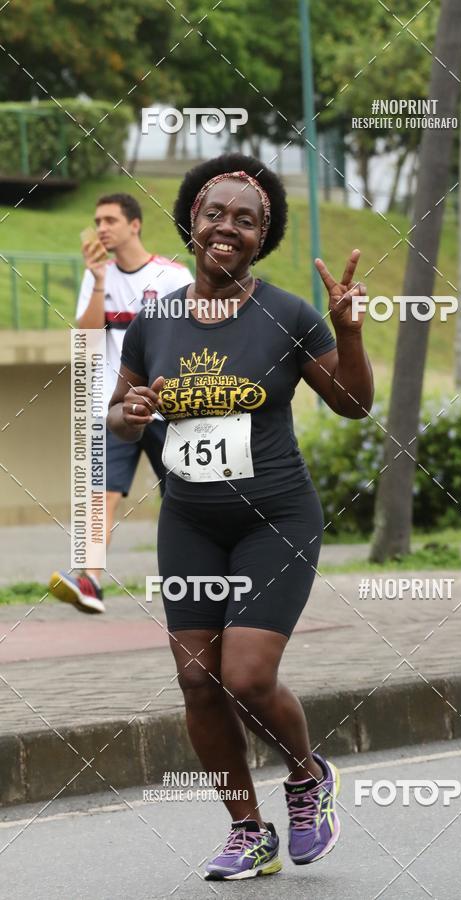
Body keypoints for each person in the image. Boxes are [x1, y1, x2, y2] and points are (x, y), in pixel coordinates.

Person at [107, 153, 374, 880]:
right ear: (192, 221)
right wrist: (129, 413)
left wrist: (347, 331)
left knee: (248, 677)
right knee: (198, 681)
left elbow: (353, 405)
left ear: (263, 238)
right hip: (189, 521)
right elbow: (121, 416)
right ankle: (247, 831)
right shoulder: (153, 321)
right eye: (215, 213)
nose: (227, 227)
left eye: (246, 220)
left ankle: (306, 777)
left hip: (276, 520)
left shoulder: (286, 314)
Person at [49, 193, 191, 613]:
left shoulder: (173, 276)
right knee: (100, 493)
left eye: (110, 219)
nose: (101, 227)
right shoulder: (99, 275)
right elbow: (87, 338)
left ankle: (197, 581)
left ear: (135, 225)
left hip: (169, 409)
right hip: (111, 409)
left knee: (185, 498)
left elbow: (189, 337)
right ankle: (90, 580)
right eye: (97, 221)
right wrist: (95, 280)